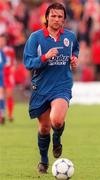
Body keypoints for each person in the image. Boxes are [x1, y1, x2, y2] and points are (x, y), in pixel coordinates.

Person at [23, 2, 79, 174]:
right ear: (47, 17)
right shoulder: (36, 37)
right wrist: (45, 57)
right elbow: (28, 62)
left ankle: (57, 139)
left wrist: (74, 59)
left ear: (64, 20)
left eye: (60, 16)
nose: (56, 19)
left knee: (57, 121)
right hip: (40, 87)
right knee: (44, 127)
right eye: (53, 16)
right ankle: (44, 161)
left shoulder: (70, 36)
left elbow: (75, 50)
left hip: (61, 85)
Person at [3, 36, 16, 122]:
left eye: (3, 40)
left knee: (9, 95)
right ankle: (2, 114)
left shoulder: (10, 50)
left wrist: (12, 69)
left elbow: (13, 62)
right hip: (1, 74)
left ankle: (10, 114)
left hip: (8, 75)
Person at [0, 34, 6, 124]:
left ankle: (2, 114)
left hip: (0, 76)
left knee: (1, 95)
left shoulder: (2, 52)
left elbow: (4, 63)